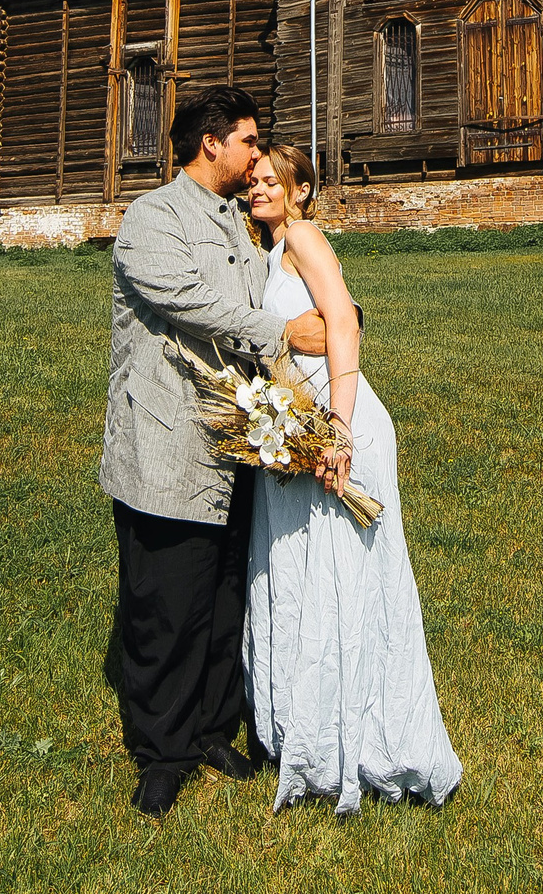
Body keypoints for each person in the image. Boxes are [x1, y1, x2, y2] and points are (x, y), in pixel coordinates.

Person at [103, 85, 330, 818]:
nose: (257, 152)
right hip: (166, 443)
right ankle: (160, 751)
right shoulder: (152, 219)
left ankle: (208, 728)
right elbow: (194, 303)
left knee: (222, 592)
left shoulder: (240, 219)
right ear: (211, 143)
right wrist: (281, 335)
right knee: (165, 602)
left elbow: (287, 274)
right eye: (249, 139)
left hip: (234, 443)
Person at [242, 142, 463, 813]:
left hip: (335, 423)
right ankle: (309, 734)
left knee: (345, 576)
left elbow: (344, 321)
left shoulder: (304, 237)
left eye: (270, 180)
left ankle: (368, 738)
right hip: (290, 429)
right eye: (251, 181)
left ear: (302, 188)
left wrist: (337, 428)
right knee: (306, 572)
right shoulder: (265, 251)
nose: (257, 189)